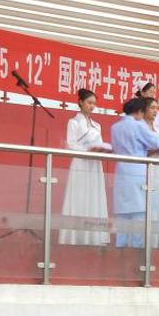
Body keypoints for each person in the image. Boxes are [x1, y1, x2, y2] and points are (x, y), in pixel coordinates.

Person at [111, 98, 159, 248]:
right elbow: (156, 142)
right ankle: (137, 252)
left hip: (121, 171)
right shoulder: (138, 125)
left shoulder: (115, 127)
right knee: (139, 212)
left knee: (123, 213)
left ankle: (120, 249)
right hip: (137, 170)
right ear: (140, 111)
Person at [59, 89, 110, 246]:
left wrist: (101, 149)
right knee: (79, 196)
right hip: (81, 162)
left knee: (94, 195)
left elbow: (100, 143)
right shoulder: (73, 122)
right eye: (89, 102)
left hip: (94, 164)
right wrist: (87, 150)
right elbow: (70, 145)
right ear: (80, 102)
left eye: (94, 103)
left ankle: (95, 236)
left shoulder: (97, 125)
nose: (92, 106)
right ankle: (75, 236)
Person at [142, 97, 159, 247]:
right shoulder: (140, 127)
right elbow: (139, 150)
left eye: (156, 108)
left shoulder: (157, 129)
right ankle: (144, 238)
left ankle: (157, 238)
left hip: (157, 166)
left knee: (157, 199)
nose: (155, 111)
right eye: (152, 108)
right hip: (145, 167)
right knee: (146, 200)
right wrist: (155, 150)